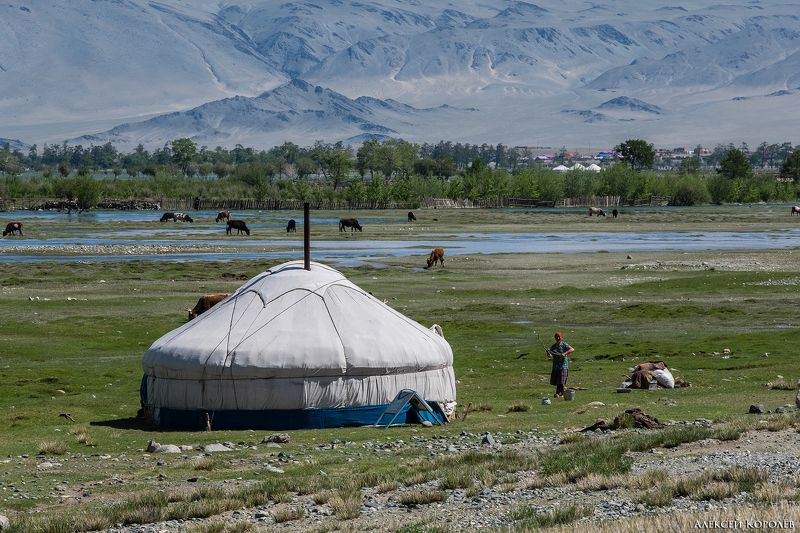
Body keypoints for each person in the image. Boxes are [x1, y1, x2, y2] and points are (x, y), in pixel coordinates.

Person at [547, 331, 574, 398]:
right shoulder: (553, 347)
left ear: (562, 337)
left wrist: (565, 353)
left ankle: (560, 394)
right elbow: (550, 356)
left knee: (561, 380)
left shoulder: (565, 344)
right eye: (557, 337)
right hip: (556, 366)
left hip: (563, 365)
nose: (558, 338)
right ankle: (559, 393)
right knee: (558, 381)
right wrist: (549, 354)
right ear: (555, 338)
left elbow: (572, 349)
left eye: (559, 337)